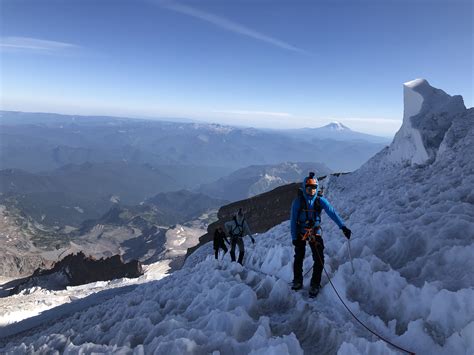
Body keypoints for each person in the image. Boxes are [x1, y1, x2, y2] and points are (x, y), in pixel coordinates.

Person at [290, 172, 351, 297]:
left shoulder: (319, 200)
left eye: (313, 188)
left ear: (316, 188)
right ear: (305, 187)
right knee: (299, 256)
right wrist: (294, 237)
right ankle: (297, 280)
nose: (311, 191)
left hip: (314, 232)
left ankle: (315, 284)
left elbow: (332, 212)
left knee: (319, 259)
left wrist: (343, 227)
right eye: (309, 188)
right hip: (301, 232)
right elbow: (292, 220)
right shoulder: (298, 202)